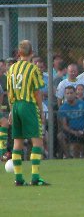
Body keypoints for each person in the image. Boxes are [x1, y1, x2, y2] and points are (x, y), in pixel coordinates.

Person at [7, 40, 49, 186]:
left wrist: (12, 111)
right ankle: (35, 177)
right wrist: (41, 111)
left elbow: (9, 93)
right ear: (32, 53)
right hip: (28, 105)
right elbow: (37, 93)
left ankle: (18, 178)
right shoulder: (33, 69)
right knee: (37, 141)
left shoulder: (11, 69)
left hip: (16, 105)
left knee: (17, 141)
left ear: (19, 53)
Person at [57, 86, 84, 158]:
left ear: (75, 94)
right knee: (60, 136)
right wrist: (74, 132)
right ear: (65, 95)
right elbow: (64, 125)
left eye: (71, 93)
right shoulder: (63, 108)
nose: (69, 95)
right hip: (70, 132)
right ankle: (68, 156)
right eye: (67, 93)